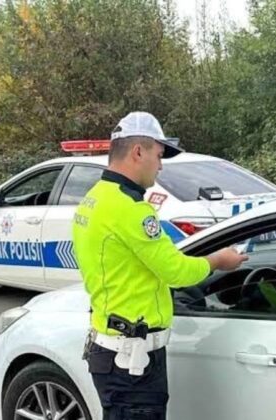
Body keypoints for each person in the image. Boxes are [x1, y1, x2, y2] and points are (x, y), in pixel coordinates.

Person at [72, 111, 247, 419]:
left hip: (113, 351)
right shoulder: (130, 209)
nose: (161, 165)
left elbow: (132, 265)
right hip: (132, 362)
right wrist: (218, 260)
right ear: (138, 152)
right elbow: (176, 272)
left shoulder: (95, 198)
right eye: (159, 154)